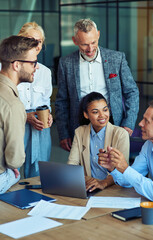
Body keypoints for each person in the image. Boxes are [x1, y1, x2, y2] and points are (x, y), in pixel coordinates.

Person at [55, 18, 139, 152]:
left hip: (112, 122)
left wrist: (128, 123)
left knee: (114, 166)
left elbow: (132, 92)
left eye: (93, 42)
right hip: (80, 124)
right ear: (74, 40)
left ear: (98, 34)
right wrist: (63, 133)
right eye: (84, 44)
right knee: (83, 166)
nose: (90, 49)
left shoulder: (117, 59)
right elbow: (61, 101)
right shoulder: (65, 63)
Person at [98, 100, 153, 202]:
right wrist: (114, 168)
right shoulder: (148, 145)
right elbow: (128, 181)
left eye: (146, 121)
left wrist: (126, 169)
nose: (140, 123)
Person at [68, 92, 129, 192]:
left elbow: (122, 169)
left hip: (113, 188)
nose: (102, 115)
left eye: (105, 110)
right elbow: (73, 162)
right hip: (89, 187)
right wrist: (76, 179)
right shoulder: (80, 132)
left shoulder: (121, 134)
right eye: (95, 112)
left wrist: (103, 183)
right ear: (86, 115)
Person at [0, 35, 39, 193]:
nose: (36, 67)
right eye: (33, 63)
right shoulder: (13, 105)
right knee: (16, 175)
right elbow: (14, 160)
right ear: (16, 65)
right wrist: (13, 168)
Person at [17, 22, 53, 178]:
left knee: (38, 176)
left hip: (40, 128)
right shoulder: (4, 69)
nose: (35, 44)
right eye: (30, 39)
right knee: (12, 172)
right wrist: (25, 116)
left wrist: (49, 114)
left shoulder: (45, 72)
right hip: (16, 126)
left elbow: (46, 101)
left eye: (39, 41)